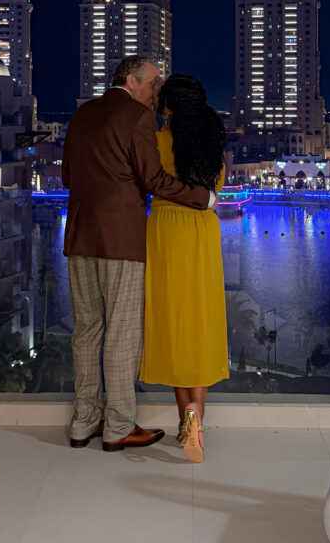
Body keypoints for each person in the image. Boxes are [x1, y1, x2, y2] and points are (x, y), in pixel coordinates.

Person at [61, 55, 217, 452]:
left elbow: (67, 176)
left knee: (86, 331)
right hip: (122, 240)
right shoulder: (136, 117)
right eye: (151, 85)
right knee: (122, 334)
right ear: (131, 81)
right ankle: (117, 427)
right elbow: (153, 179)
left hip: (79, 237)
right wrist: (202, 198)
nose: (155, 94)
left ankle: (83, 423)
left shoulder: (82, 115)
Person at [139, 73, 228, 463]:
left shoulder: (157, 141)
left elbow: (146, 181)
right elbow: (218, 188)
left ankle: (185, 416)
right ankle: (197, 413)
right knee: (201, 319)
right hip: (203, 231)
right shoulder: (212, 145)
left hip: (164, 231)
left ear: (169, 107)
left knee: (174, 320)